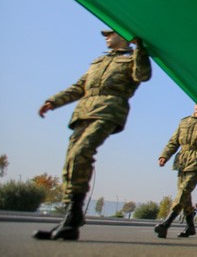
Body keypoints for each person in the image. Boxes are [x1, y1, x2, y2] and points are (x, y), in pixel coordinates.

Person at [34, 30, 151, 241]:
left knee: (81, 153)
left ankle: (72, 217)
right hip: (83, 113)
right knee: (70, 162)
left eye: (110, 33)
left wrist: (140, 48)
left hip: (109, 111)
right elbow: (79, 87)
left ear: (123, 36)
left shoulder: (133, 58)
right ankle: (70, 216)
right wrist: (53, 101)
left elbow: (143, 76)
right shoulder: (99, 61)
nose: (106, 37)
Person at [154, 104, 197, 238]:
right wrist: (164, 156)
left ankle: (166, 224)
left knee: (183, 191)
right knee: (185, 196)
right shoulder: (184, 121)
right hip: (182, 160)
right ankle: (190, 227)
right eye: (195, 103)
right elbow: (174, 141)